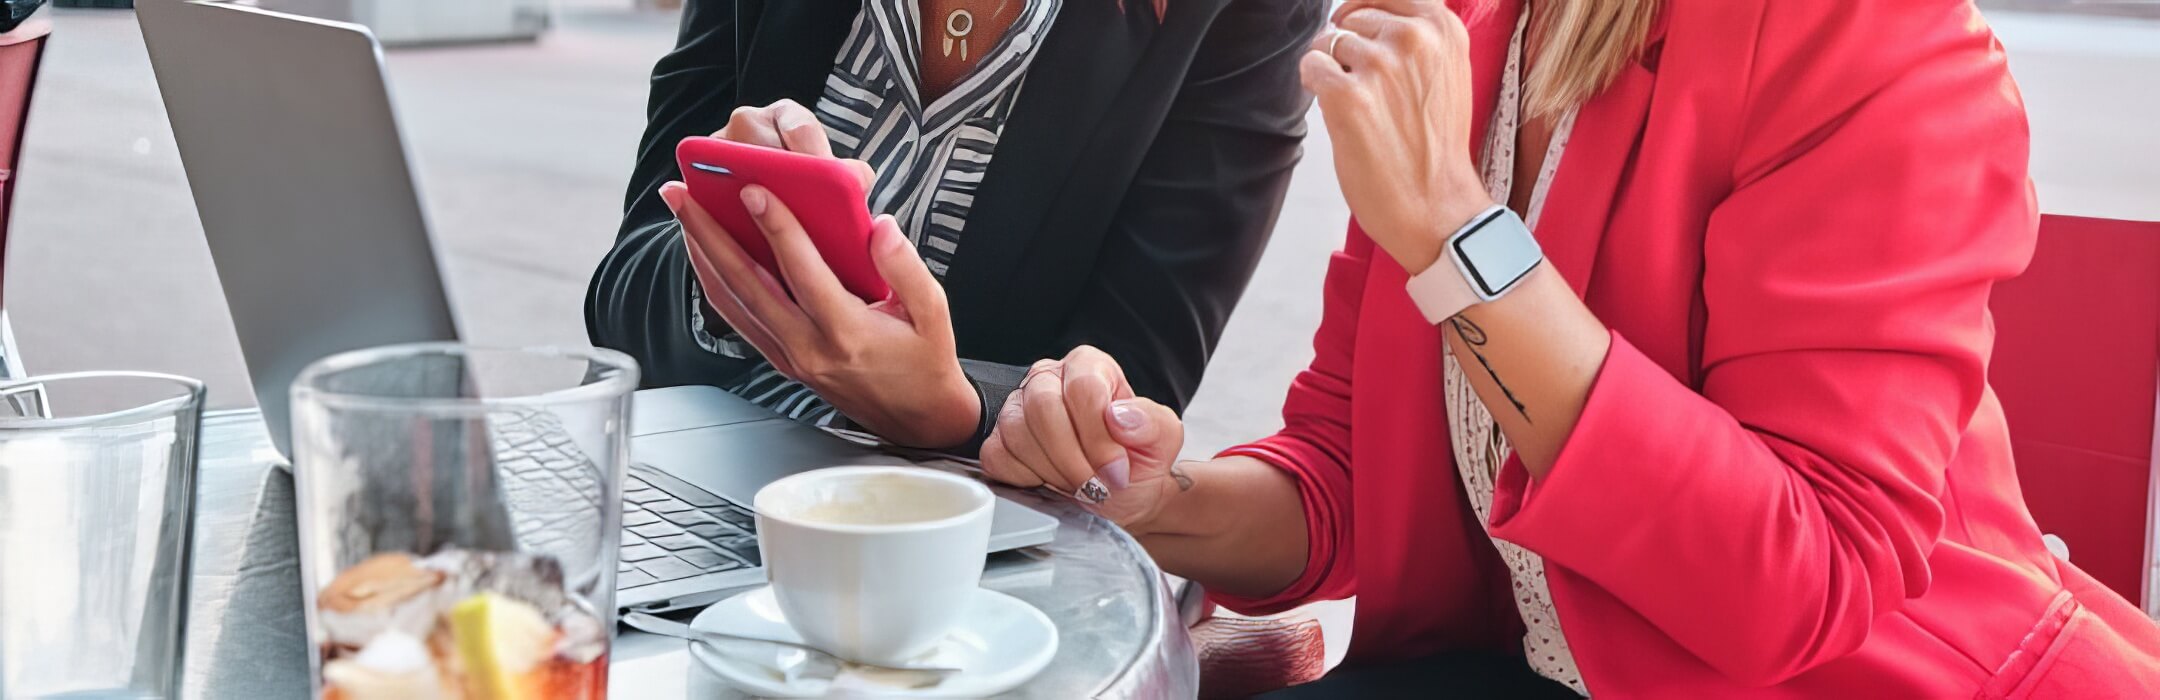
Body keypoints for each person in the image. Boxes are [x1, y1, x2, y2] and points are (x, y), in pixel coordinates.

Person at [981, 0, 2160, 696]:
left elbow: (1808, 581)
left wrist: (1452, 229)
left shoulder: (1869, 38)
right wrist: (1148, 494)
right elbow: (1345, 470)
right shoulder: (1476, 35)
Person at [585, 0, 1325, 459]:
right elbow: (619, 295)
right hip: (684, 474)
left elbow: (1134, 388)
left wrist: (952, 407)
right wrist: (728, 258)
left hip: (959, 536)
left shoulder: (1249, 13)